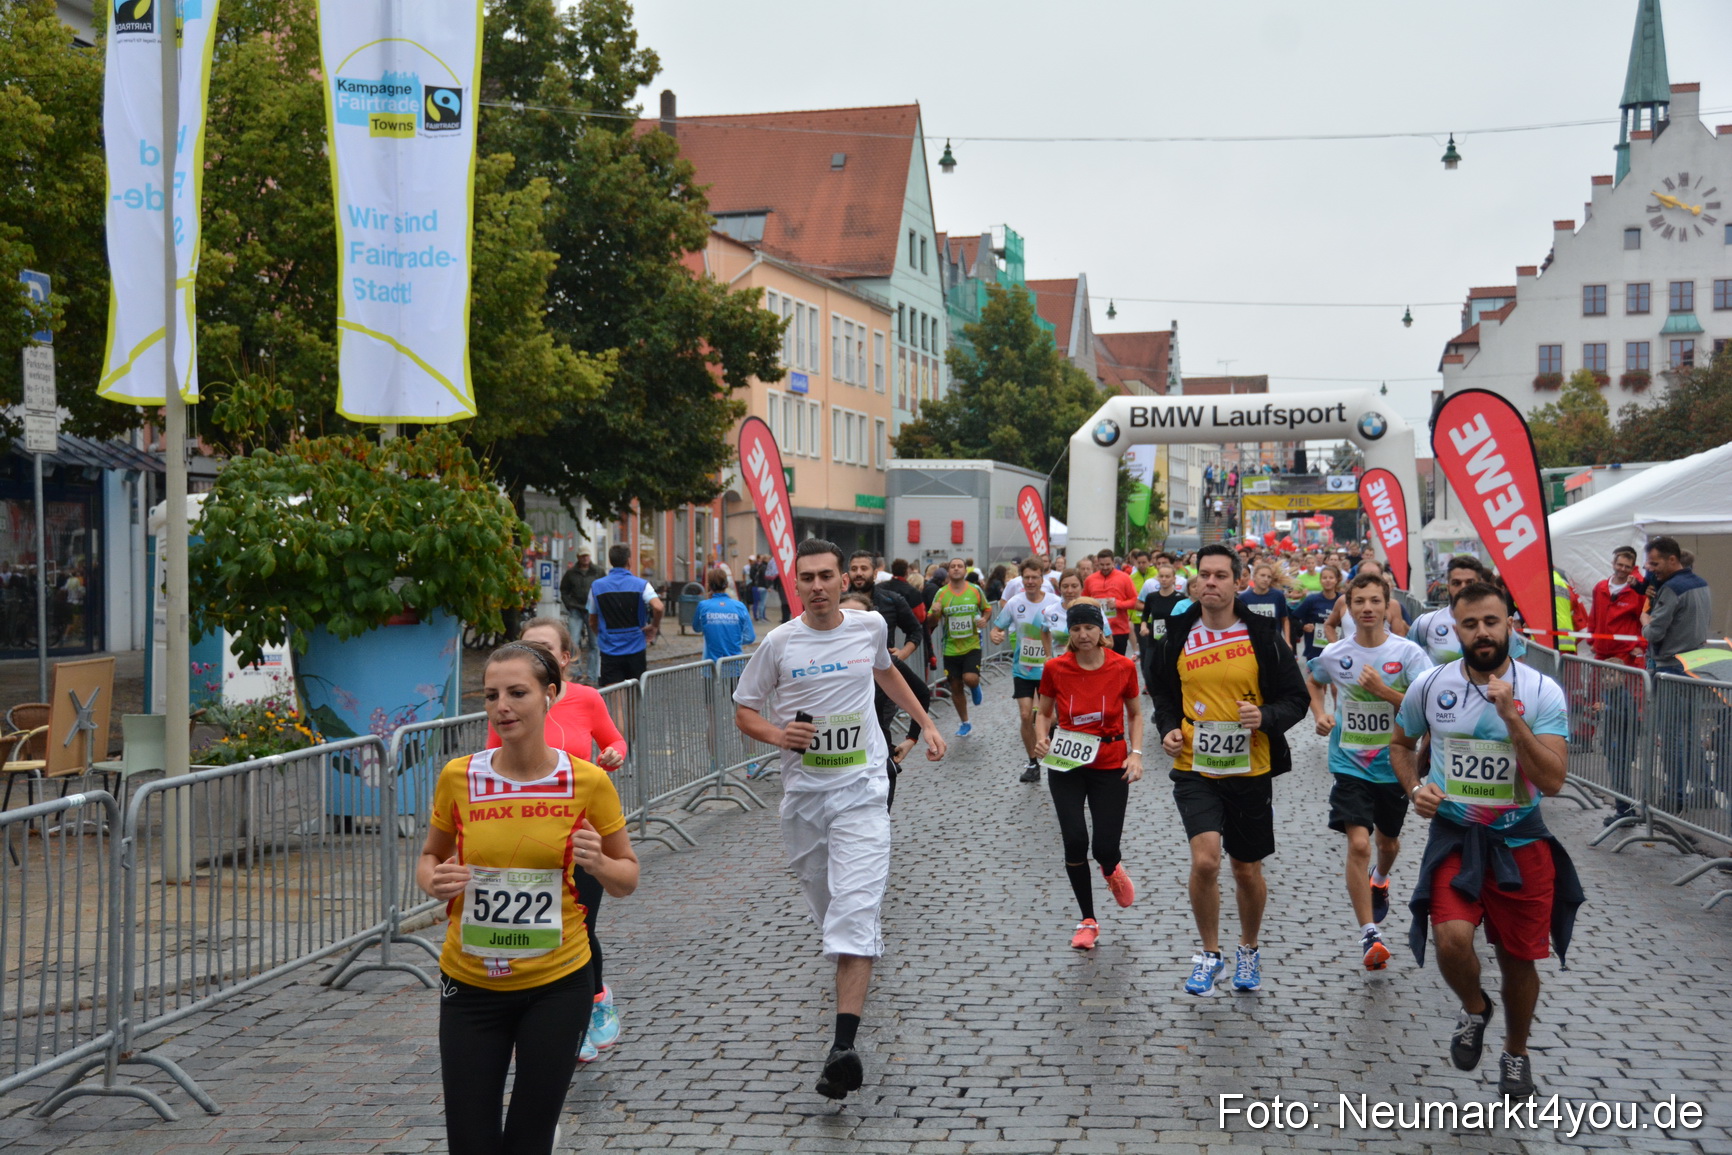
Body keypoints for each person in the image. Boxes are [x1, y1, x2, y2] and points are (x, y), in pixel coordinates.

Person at [732, 539, 945, 1101]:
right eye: (809, 578)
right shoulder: (778, 644)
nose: (820, 586)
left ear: (844, 580)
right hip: (804, 800)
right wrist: (779, 735)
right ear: (795, 585)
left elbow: (887, 676)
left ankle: (842, 1048)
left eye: (829, 575)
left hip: (862, 790)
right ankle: (852, 968)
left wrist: (925, 724)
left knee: (854, 912)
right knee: (833, 917)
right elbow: (745, 710)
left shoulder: (869, 626)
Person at [420, 639, 639, 1155]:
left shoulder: (586, 781)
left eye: (517, 692)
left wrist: (599, 863)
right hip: (470, 985)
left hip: (557, 985)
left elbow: (627, 876)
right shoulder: (460, 776)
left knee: (527, 1141)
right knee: (470, 1144)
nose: (502, 706)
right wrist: (432, 881)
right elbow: (430, 857)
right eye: (492, 694)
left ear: (550, 696)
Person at [1390, 581, 1578, 1099]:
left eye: (1490, 622)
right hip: (1456, 835)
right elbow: (1401, 744)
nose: (1481, 633)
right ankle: (1475, 1009)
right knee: (1451, 939)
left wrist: (1512, 717)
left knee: (1520, 959)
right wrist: (1414, 788)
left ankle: (1515, 1054)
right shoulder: (1431, 685)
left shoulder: (1541, 690)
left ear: (1509, 625)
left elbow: (1554, 779)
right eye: (1468, 624)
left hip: (1520, 840)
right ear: (1454, 627)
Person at [1149, 544, 1309, 995]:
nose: (1211, 583)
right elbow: (1160, 690)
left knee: (1245, 869)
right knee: (1205, 861)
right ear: (1195, 581)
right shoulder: (1178, 632)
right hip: (1194, 766)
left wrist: (1267, 718)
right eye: (1205, 575)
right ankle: (1209, 953)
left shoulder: (1260, 635)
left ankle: (1249, 948)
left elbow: (1295, 699)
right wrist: (1167, 729)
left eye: (1221, 575)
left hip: (1249, 768)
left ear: (1238, 582)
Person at [484, 619, 629, 1064]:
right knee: (538, 928)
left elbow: (615, 741)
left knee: (579, 928)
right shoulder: (510, 708)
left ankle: (589, 1008)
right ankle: (556, 1016)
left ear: (565, 658)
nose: (537, 654)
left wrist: (613, 756)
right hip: (528, 837)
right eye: (529, 647)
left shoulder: (586, 698)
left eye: (545, 647)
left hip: (581, 835)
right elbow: (491, 762)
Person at [1305, 575, 1433, 970]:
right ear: (1348, 607)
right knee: (1358, 844)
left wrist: (1384, 691)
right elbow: (1314, 679)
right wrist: (1321, 714)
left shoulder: (1409, 654)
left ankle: (1381, 878)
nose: (1367, 608)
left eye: (1375, 600)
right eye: (1359, 601)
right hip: (1350, 763)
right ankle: (1369, 934)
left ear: (1387, 605)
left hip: (1394, 764)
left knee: (1388, 844)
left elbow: (1425, 705)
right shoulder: (1336, 653)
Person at [1032, 603, 1145, 951]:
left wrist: (1136, 754)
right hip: (1067, 762)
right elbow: (1044, 711)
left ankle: (1111, 868)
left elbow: (1136, 715)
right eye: (1076, 628)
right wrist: (1041, 738)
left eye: (1089, 628)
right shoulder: (1055, 667)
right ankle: (1088, 920)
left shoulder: (1123, 666)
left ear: (1101, 632)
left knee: (1105, 847)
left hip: (1111, 761)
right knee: (1075, 840)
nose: (1083, 635)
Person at [841, 590, 930, 810]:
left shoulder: (885, 663)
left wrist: (912, 739)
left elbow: (922, 694)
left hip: (877, 762)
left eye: (859, 617)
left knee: (873, 834)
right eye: (846, 616)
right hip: (831, 766)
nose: (853, 624)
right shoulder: (818, 663)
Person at [990, 559, 1068, 783]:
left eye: (1035, 577)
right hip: (1023, 669)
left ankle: (1052, 751)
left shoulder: (1054, 602)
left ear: (1042, 579)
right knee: (1026, 715)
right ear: (1021, 580)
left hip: (1049, 670)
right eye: (1027, 578)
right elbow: (997, 629)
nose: (1031, 582)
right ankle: (1033, 762)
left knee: (1051, 718)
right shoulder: (1015, 602)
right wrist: (996, 635)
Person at [930, 557, 992, 736]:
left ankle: (974, 685)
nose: (956, 569)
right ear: (948, 571)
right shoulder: (941, 593)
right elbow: (931, 620)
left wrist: (984, 620)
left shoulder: (975, 590)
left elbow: (987, 609)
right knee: (955, 686)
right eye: (952, 567)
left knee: (970, 678)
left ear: (965, 570)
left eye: (960, 566)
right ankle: (965, 722)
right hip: (950, 647)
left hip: (972, 644)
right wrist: (934, 613)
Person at [587, 544, 663, 686]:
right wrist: (654, 626)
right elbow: (658, 607)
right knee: (634, 696)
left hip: (609, 649)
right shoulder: (642, 585)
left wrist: (601, 633)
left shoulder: (596, 586)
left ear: (611, 561)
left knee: (614, 696)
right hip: (636, 647)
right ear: (629, 561)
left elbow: (592, 620)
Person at [1408, 557, 1498, 664]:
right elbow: (1407, 662)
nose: (1463, 588)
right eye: (1456, 583)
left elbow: (1516, 669)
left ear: (1480, 584)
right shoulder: (1425, 623)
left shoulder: (1498, 623)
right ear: (1448, 587)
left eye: (1470, 582)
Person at [1642, 535, 1709, 676]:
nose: (1651, 569)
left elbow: (1654, 633)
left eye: (1655, 564)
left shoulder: (1671, 589)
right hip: (1696, 662)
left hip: (1672, 666)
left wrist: (1645, 623)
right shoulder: (1702, 583)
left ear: (1672, 559)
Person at [848, 551, 920, 663]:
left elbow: (915, 630)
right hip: (848, 671)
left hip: (882, 671)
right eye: (853, 569)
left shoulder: (892, 600)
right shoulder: (838, 602)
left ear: (875, 573)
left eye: (864, 568)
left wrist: (902, 654)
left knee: (915, 682)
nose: (858, 573)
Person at [1588, 547, 1647, 668]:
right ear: (1613, 564)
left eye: (1627, 567)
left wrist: (1641, 645)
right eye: (1620, 565)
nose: (1623, 569)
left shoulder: (1637, 591)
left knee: (1626, 686)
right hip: (1601, 650)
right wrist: (1592, 640)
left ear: (1632, 568)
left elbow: (1645, 619)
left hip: (1625, 651)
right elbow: (1594, 616)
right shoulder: (1600, 587)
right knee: (1597, 686)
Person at [1083, 548, 1139, 656]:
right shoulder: (1090, 579)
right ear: (1097, 564)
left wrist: (1118, 604)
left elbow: (1135, 601)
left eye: (1108, 564)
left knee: (1117, 664)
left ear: (1114, 562)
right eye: (1101, 565)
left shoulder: (1125, 578)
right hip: (1097, 629)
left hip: (1118, 630)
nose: (1105, 568)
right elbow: (1083, 601)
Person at [694, 566, 756, 661]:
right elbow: (750, 637)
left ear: (709, 586)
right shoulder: (739, 606)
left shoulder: (703, 606)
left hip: (711, 667)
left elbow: (697, 628)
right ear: (727, 585)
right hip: (735, 666)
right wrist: (733, 640)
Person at [1293, 563, 1341, 662]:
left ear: (1336, 580)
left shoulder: (1343, 600)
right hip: (1315, 651)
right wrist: (1303, 626)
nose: (1328, 580)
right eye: (1324, 578)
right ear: (1320, 581)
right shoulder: (1312, 600)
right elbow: (1293, 618)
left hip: (1336, 649)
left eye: (1331, 578)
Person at [1239, 561, 1292, 647]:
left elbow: (1285, 620)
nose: (1266, 579)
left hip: (1273, 642)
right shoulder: (1244, 598)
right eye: (1262, 575)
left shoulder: (1278, 595)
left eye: (1269, 577)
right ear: (1254, 577)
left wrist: (1287, 641)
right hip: (1252, 643)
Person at [560, 551, 600, 660]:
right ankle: (575, 673)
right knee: (573, 642)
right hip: (576, 609)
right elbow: (564, 590)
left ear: (590, 556)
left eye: (587, 555)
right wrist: (569, 604)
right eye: (582, 556)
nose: (585, 558)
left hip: (593, 610)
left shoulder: (598, 571)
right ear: (578, 557)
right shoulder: (571, 573)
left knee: (595, 643)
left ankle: (593, 675)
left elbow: (604, 587)